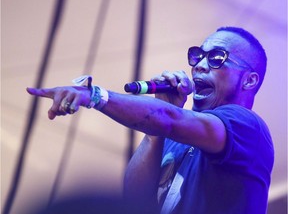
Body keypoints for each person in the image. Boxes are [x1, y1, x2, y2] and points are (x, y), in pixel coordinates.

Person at [27, 26, 274, 214]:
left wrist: (95, 96)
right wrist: (155, 132)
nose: (199, 65)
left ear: (249, 80)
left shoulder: (248, 127)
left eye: (216, 58)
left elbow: (170, 119)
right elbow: (135, 201)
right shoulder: (175, 137)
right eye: (198, 56)